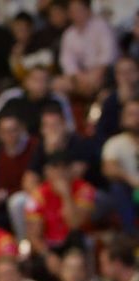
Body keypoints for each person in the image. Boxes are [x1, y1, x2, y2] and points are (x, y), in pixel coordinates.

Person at [60, 0, 119, 99]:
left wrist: (94, 75)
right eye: (72, 11)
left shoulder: (102, 26)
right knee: (59, 84)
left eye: (79, 10)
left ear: (88, 10)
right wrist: (80, 77)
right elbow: (67, 61)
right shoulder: (68, 34)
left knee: (98, 84)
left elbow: (108, 55)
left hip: (104, 73)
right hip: (81, 76)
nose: (75, 14)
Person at [100, 99, 139, 233]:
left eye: (137, 114)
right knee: (117, 188)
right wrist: (132, 180)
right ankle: (131, 234)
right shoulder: (115, 143)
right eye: (131, 114)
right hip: (131, 192)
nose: (135, 119)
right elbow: (109, 169)